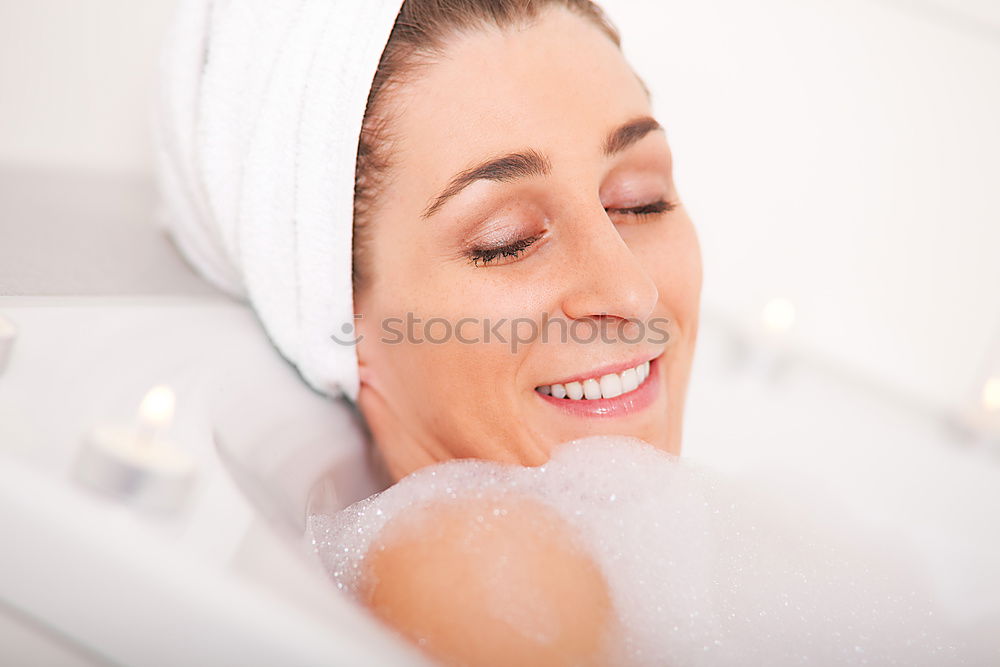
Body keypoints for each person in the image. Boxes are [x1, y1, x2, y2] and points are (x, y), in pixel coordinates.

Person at [159, 1, 702, 663]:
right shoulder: (484, 567)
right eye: (508, 242)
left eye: (641, 200)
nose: (630, 291)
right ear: (340, 320)